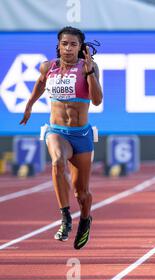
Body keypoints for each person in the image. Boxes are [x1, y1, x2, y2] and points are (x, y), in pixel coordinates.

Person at [20, 26, 103, 250]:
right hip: (56, 131)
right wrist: (29, 105)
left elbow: (96, 101)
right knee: (57, 162)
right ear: (59, 46)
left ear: (80, 47)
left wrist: (89, 74)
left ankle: (85, 219)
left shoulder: (89, 67)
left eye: (73, 44)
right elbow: (39, 83)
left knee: (82, 193)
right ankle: (65, 217)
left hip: (81, 134)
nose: (68, 48)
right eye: (64, 44)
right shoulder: (48, 67)